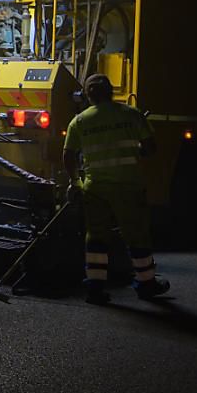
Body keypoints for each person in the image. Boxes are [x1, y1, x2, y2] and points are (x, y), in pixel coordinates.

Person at [63, 73, 170, 305]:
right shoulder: (132, 114)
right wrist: (135, 152)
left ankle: (95, 288)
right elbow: (151, 147)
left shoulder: (79, 121)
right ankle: (146, 284)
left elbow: (68, 155)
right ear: (111, 92)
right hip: (128, 186)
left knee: (96, 236)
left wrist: (75, 182)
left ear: (88, 96)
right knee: (137, 234)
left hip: (95, 187)